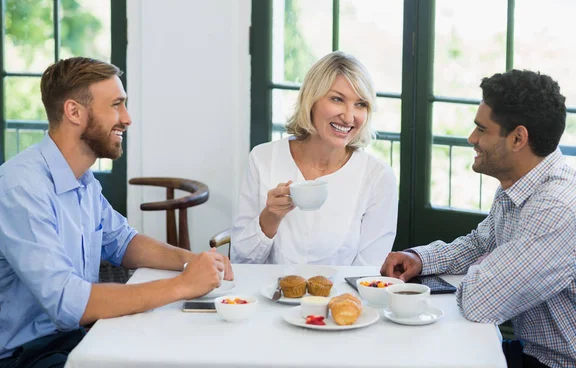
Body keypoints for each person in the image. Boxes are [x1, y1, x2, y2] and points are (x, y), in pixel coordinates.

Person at [0, 57, 234, 367]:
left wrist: (190, 261)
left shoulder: (83, 179)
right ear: (74, 112)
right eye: (116, 105)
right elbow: (69, 303)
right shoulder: (21, 190)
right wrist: (183, 285)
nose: (127, 118)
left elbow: (123, 242)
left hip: (71, 336)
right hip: (21, 355)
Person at [380, 69, 575, 368]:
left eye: (481, 129)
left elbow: (480, 301)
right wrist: (420, 258)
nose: (472, 138)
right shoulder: (521, 183)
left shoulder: (557, 209)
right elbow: (481, 244)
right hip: (530, 354)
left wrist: (491, 266)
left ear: (518, 138)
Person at [231, 51, 398, 265]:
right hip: (268, 296)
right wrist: (270, 217)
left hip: (341, 298)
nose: (349, 117)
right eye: (337, 99)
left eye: (360, 104)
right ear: (311, 101)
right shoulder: (263, 159)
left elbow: (367, 272)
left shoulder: (378, 177)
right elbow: (241, 261)